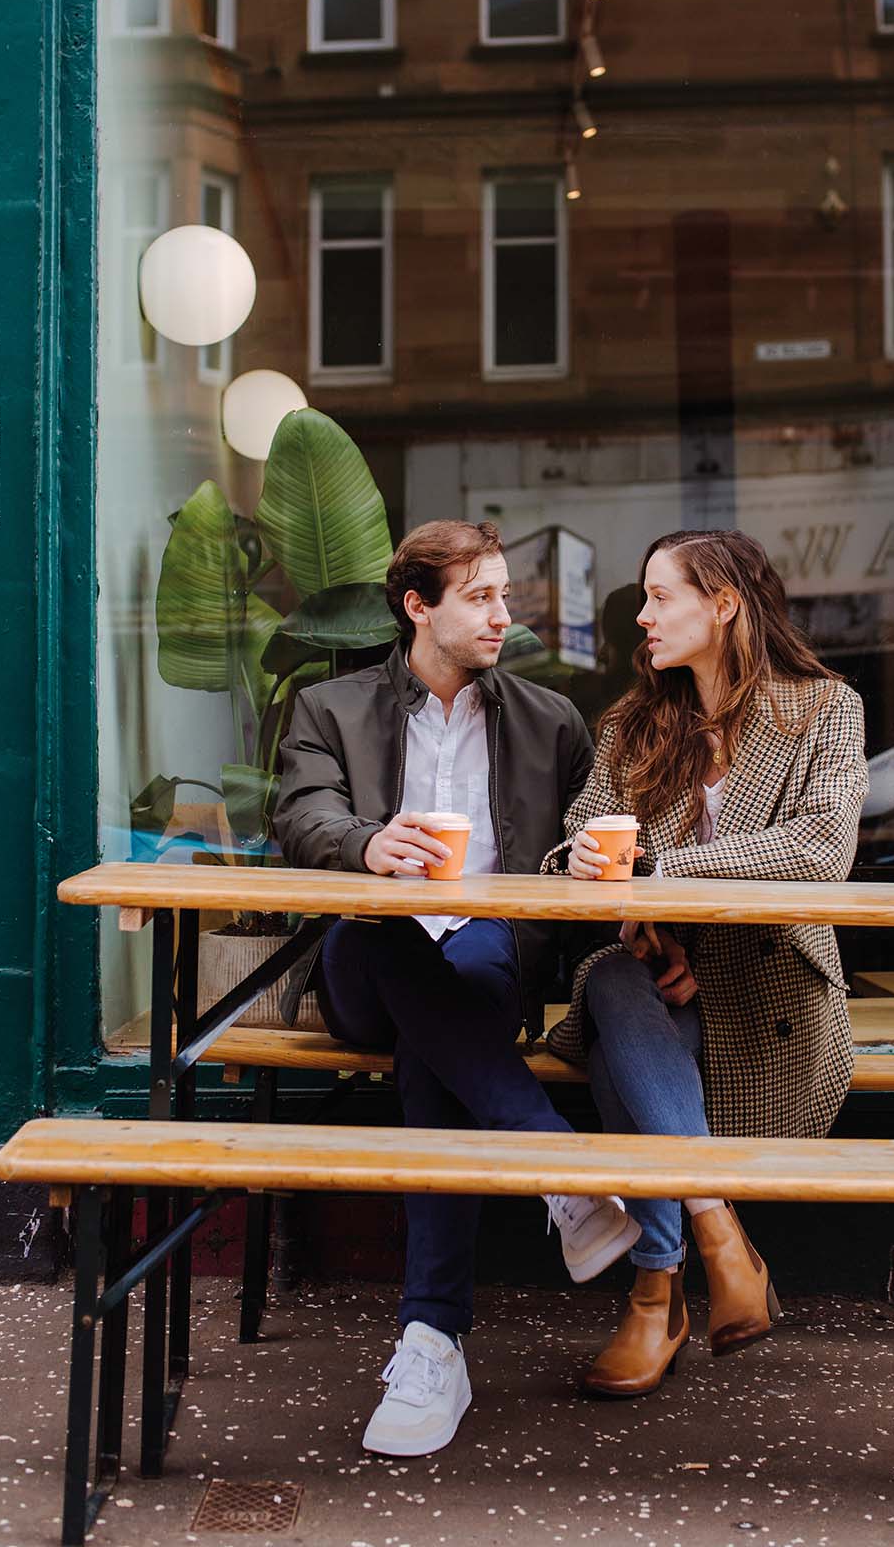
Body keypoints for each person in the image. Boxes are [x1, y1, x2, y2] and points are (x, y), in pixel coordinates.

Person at [274, 519, 640, 1456]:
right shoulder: (332, 707)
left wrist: (599, 873)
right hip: (367, 955)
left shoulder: (548, 720)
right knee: (403, 946)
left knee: (456, 998)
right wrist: (365, 844)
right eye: (480, 596)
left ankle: (431, 1338)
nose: (502, 616)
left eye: (506, 596)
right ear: (417, 607)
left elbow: (580, 840)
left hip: (487, 961)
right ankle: (561, 1172)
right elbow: (303, 809)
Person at [542, 529, 868, 1399]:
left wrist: (657, 876)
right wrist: (601, 884)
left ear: (724, 603)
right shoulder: (632, 723)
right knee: (613, 977)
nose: (641, 617)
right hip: (657, 984)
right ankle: (714, 1224)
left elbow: (821, 848)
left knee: (613, 1034)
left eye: (661, 596)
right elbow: (575, 842)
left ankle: (657, 1292)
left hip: (771, 1000)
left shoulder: (822, 710)